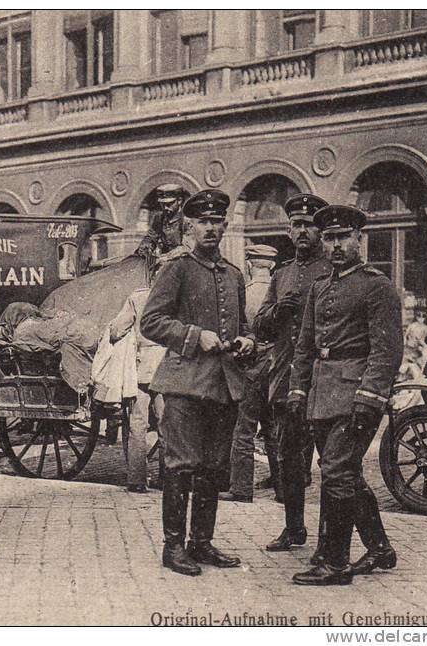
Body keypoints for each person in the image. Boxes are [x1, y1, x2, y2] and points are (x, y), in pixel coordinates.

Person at [141, 189, 255, 576]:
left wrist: (246, 340)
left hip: (224, 385)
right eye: (202, 222)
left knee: (212, 467)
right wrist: (194, 336)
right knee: (180, 465)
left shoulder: (234, 275)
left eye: (216, 221)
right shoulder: (177, 268)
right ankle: (173, 547)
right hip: (185, 383)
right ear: (190, 226)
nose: (210, 228)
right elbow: (151, 322)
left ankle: (201, 542)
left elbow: (243, 326)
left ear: (225, 225)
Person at [287, 205, 402, 585]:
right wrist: (298, 390)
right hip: (322, 391)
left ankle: (334, 562)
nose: (336, 245)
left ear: (358, 239)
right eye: (330, 238)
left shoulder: (377, 286)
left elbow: (386, 351)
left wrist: (370, 399)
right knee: (345, 471)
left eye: (343, 237)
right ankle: (379, 548)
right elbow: (305, 345)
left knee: (335, 472)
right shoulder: (321, 287)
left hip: (355, 393)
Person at [252, 193, 333, 553]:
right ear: (289, 230)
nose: (302, 231)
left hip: (324, 380)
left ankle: (330, 537)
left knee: (330, 460)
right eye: (297, 225)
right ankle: (293, 528)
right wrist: (276, 313)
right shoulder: (281, 274)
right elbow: (259, 327)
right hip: (285, 378)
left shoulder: (332, 270)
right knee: (288, 458)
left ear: (320, 230)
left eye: (309, 225)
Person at [220, 244, 278, 503]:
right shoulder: (279, 291)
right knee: (272, 428)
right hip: (276, 366)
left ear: (249, 265)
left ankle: (241, 488)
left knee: (243, 429)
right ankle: (283, 486)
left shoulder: (246, 293)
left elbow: (239, 331)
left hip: (252, 366)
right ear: (272, 266)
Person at [106, 267, 166, 493]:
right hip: (169, 368)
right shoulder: (178, 298)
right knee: (167, 425)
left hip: (142, 368)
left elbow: (116, 330)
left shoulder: (138, 296)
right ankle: (167, 479)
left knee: (137, 424)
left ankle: (137, 480)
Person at [134, 183, 190, 274]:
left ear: (179, 200)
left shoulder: (187, 220)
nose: (165, 208)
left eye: (169, 204)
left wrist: (165, 257)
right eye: (162, 204)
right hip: (163, 264)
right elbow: (150, 237)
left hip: (185, 264)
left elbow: (187, 247)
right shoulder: (159, 218)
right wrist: (144, 249)